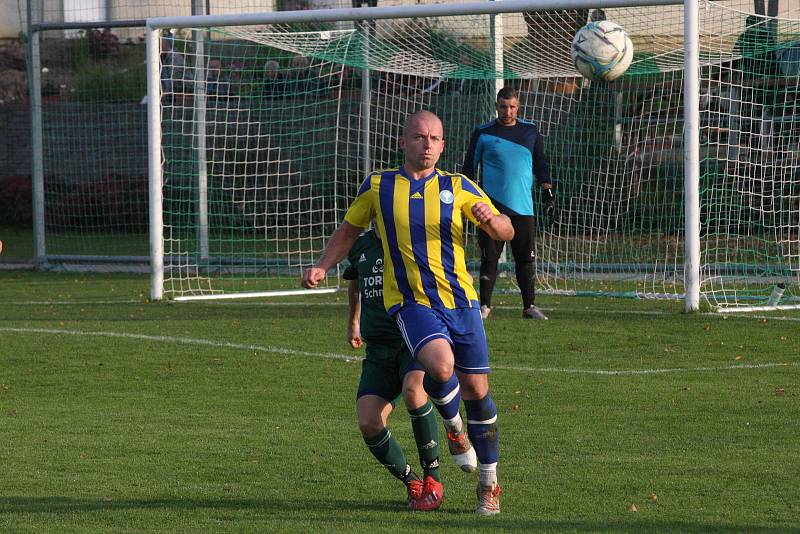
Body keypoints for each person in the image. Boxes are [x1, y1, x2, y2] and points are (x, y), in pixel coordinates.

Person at [303, 110, 513, 515]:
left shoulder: (458, 186)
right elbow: (348, 231)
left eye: (435, 138)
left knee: (478, 393)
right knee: (439, 365)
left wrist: (495, 222)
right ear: (403, 142)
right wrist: (322, 265)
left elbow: (505, 229)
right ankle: (453, 427)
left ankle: (489, 481)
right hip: (412, 302)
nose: (427, 144)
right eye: (419, 136)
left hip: (461, 301)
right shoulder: (379, 187)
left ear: (444, 145)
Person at [344, 222, 467, 511]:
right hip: (378, 350)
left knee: (414, 391)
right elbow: (354, 284)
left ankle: (433, 480)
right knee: (368, 422)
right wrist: (353, 321)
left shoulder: (410, 243)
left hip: (411, 342)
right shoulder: (359, 246)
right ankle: (412, 482)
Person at [462, 86, 555, 321]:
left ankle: (529, 306)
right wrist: (466, 200)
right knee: (489, 258)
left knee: (525, 258)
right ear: (496, 106)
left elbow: (540, 162)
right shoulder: (483, 133)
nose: (508, 111)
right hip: (492, 208)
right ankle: (484, 307)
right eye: (503, 106)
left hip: (523, 208)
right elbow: (469, 170)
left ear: (518, 106)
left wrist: (547, 190)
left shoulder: (530, 131)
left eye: (512, 106)